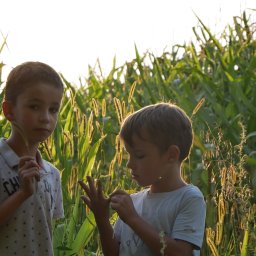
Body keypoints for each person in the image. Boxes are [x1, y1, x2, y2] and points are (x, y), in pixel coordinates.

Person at [79, 102, 206, 256]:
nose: (129, 164)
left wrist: (133, 219)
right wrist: (102, 219)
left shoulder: (188, 198)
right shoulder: (133, 202)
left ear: (171, 155)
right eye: (128, 155)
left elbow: (180, 253)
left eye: (139, 155)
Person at [0, 61, 64, 256]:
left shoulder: (51, 174)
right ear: (9, 110)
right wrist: (22, 193)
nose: (46, 118)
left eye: (53, 109)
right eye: (35, 106)